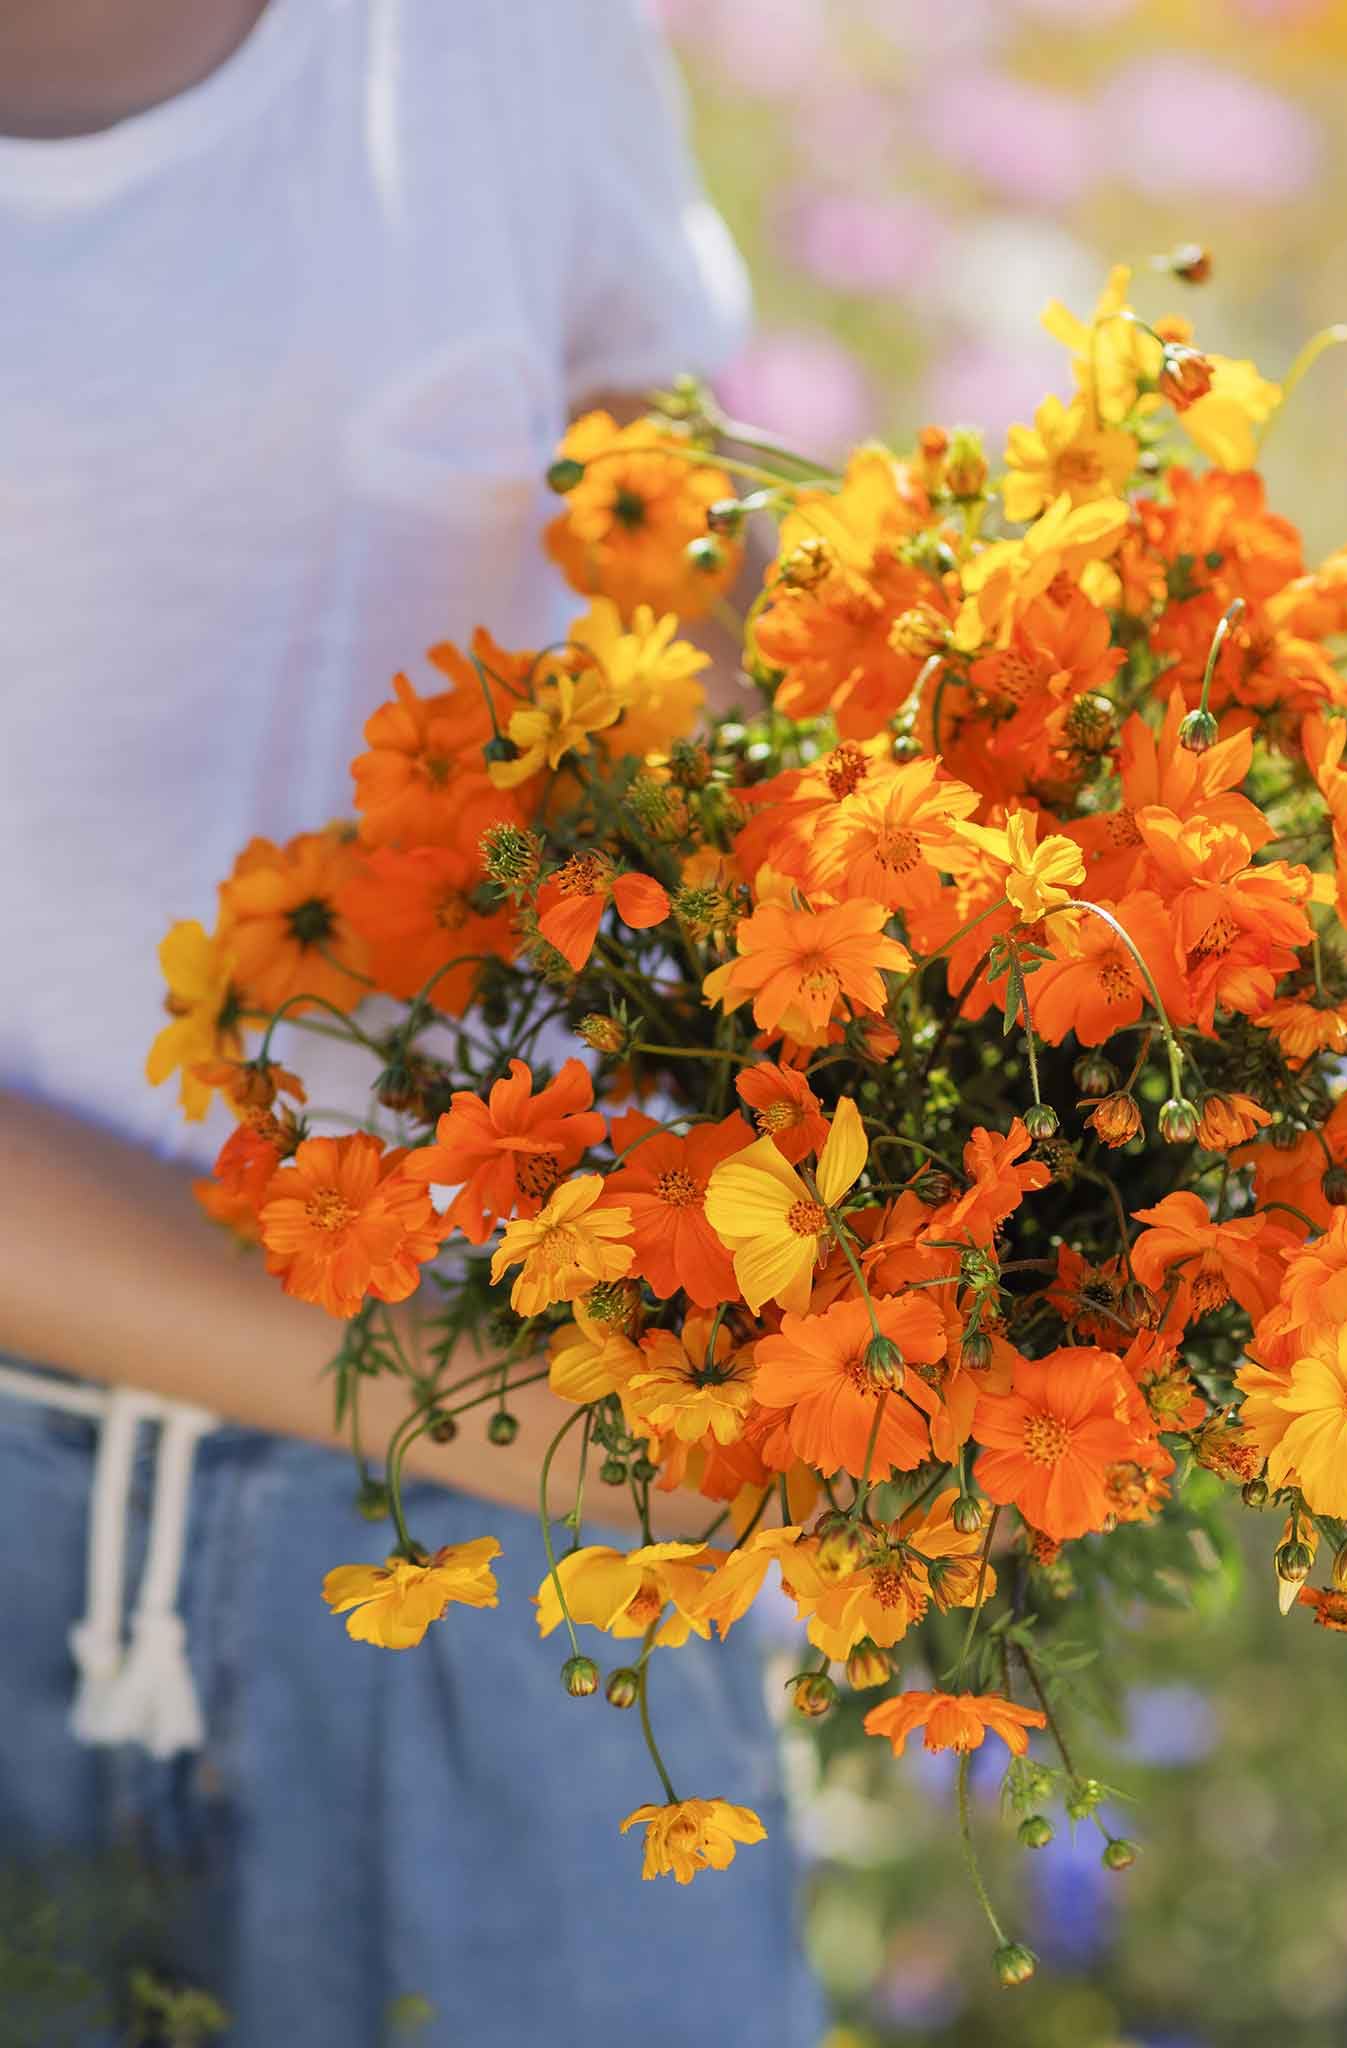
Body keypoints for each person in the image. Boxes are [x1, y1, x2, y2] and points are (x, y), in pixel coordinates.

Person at [0, 2, 824, 2040]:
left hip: (535, 1517)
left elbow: (661, 517)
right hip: (516, 1435)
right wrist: (514, 1406)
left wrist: (948, 896)